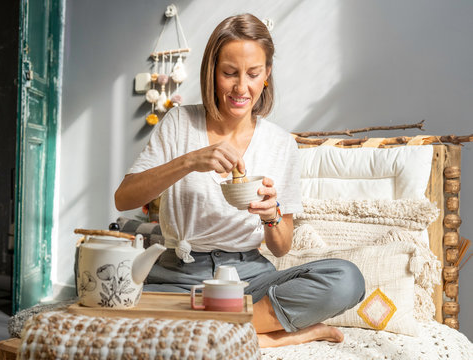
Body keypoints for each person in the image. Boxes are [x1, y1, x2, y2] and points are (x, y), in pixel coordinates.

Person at [115, 13, 365, 347]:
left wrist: (271, 214)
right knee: (110, 300)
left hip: (247, 278)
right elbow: (124, 198)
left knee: (347, 279)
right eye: (229, 73)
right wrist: (189, 161)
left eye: (253, 74)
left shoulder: (280, 144)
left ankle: (211, 329)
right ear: (212, 72)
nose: (240, 87)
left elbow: (282, 246)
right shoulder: (179, 122)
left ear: (267, 75)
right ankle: (267, 337)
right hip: (179, 273)